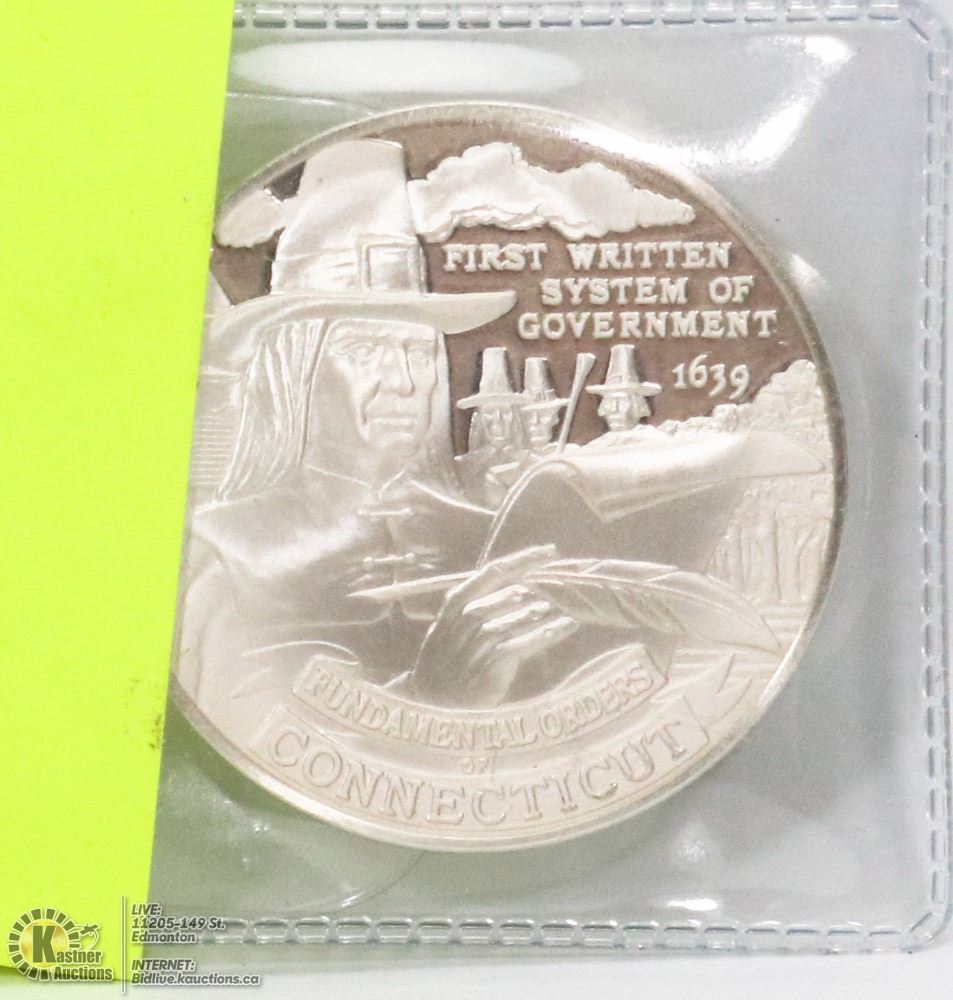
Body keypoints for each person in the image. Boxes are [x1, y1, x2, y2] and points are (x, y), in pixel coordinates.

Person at [178, 138, 521, 707]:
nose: (404, 383)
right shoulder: (235, 558)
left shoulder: (492, 539)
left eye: (416, 353)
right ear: (298, 374)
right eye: (364, 352)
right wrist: (437, 692)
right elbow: (248, 725)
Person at [456, 347, 527, 507]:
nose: (498, 420)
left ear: (515, 417)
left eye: (505, 412)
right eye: (489, 412)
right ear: (478, 419)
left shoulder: (530, 462)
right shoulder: (463, 467)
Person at [585, 343, 663, 445]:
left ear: (637, 406)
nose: (613, 410)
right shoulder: (597, 445)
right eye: (609, 403)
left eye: (620, 402)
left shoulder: (655, 441)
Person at [519, 356, 568, 453]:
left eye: (543, 414)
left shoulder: (570, 452)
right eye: (528, 416)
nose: (535, 421)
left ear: (555, 418)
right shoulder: (517, 455)